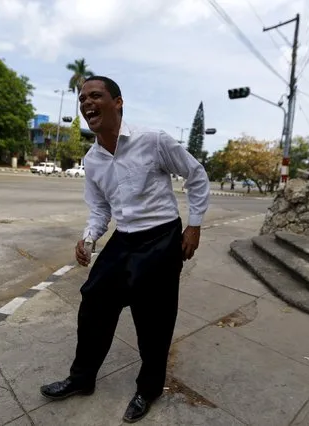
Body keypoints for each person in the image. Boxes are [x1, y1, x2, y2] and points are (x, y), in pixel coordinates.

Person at [40, 76, 210, 423]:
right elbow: (101, 208)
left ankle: (148, 390)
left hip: (162, 238)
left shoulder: (153, 140)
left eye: (96, 95)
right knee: (93, 301)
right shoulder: (93, 160)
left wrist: (194, 224)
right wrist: (89, 237)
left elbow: (195, 174)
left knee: (154, 321)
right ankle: (82, 378)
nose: (87, 103)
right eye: (83, 98)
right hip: (124, 239)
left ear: (118, 102)